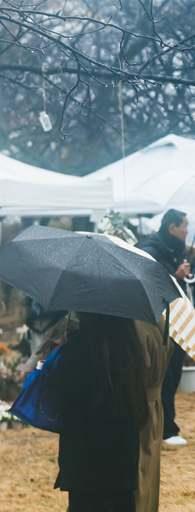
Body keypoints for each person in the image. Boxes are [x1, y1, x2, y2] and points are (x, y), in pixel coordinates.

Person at [46, 313, 148, 512]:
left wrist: (60, 347)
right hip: (122, 462)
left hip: (86, 463)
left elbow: (61, 391)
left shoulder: (82, 346)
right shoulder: (130, 345)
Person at [138, 209, 189, 446]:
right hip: (159, 324)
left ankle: (166, 425)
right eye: (184, 226)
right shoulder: (152, 250)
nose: (187, 231)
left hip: (174, 322)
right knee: (165, 375)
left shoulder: (173, 248)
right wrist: (176, 276)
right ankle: (166, 429)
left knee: (173, 373)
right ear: (172, 228)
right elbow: (152, 282)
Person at [134, 317, 171, 512]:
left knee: (137, 479)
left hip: (133, 408)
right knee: (147, 475)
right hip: (153, 407)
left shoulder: (129, 323)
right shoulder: (161, 319)